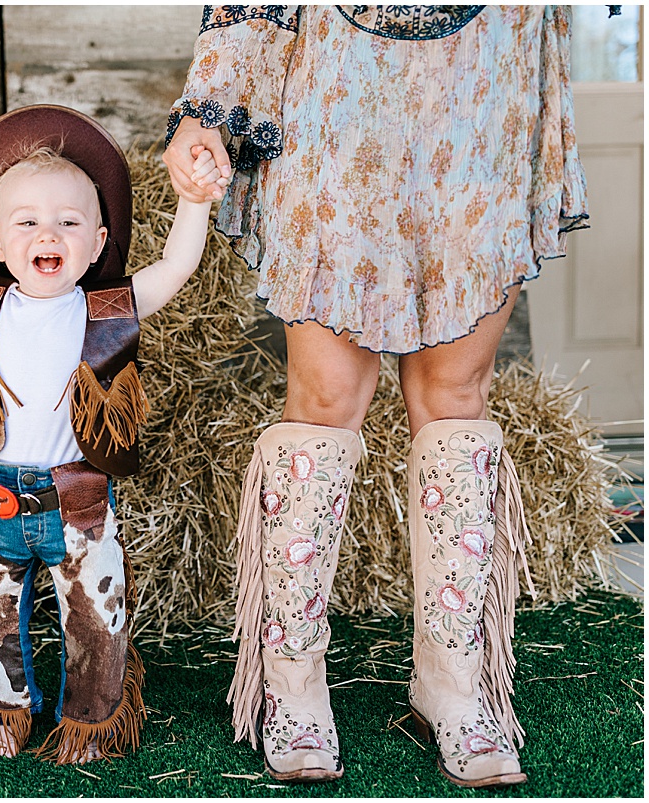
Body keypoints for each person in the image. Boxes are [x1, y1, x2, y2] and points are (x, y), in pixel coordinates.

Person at [163, 5, 591, 789]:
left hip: (482, 85)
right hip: (337, 89)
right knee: (324, 398)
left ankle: (453, 685)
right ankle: (293, 685)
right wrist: (208, 107)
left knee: (457, 394)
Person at [0, 105, 218, 764]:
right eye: (27, 221)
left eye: (68, 222)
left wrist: (193, 201)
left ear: (96, 241)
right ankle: (6, 710)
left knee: (96, 621)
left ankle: (91, 721)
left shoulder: (107, 306)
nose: (48, 233)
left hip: (81, 505)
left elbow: (176, 267)